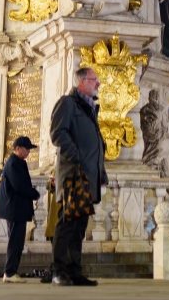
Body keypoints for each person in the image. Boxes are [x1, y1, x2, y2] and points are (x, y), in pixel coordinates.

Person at [50, 66, 107, 287]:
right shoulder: (68, 103)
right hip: (73, 175)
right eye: (94, 79)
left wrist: (101, 173)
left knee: (79, 226)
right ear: (82, 81)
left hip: (87, 177)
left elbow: (95, 145)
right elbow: (57, 133)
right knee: (67, 223)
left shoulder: (88, 108)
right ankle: (59, 271)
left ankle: (74, 271)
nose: (98, 84)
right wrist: (77, 157)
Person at [0, 135, 42, 283]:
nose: (28, 152)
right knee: (15, 241)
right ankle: (10, 272)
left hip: (17, 208)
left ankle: (11, 272)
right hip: (14, 208)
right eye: (26, 149)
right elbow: (19, 186)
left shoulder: (18, 162)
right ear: (17, 148)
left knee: (17, 241)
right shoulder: (13, 163)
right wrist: (34, 193)